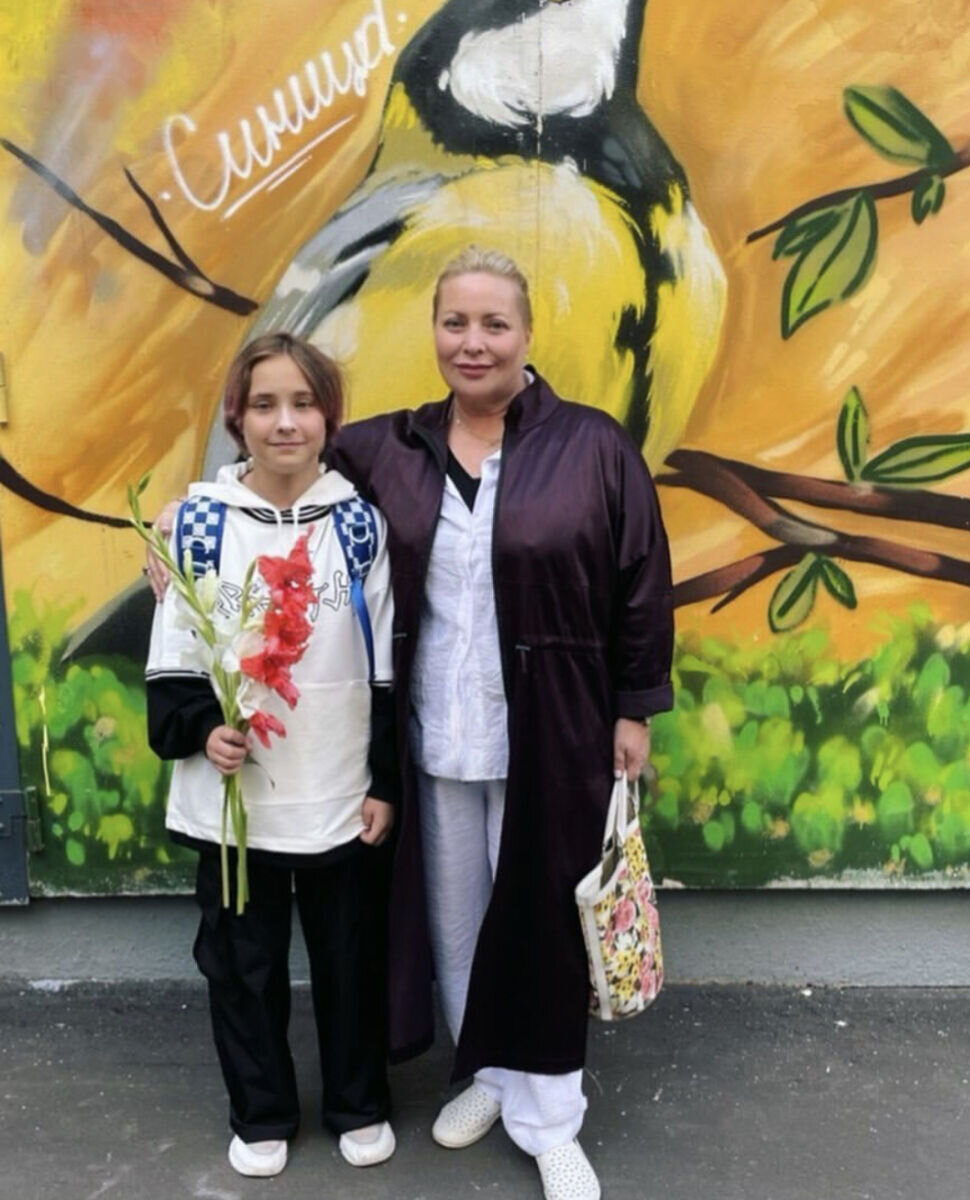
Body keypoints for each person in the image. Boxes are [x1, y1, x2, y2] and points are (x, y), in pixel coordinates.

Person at [150, 247, 673, 1200]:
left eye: (493, 324)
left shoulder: (591, 447)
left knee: (543, 924)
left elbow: (640, 580)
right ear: (434, 332)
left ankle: (550, 1120)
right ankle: (487, 1075)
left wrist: (633, 707)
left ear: (525, 335)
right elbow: (281, 460)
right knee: (456, 925)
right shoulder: (390, 448)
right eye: (454, 323)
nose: (473, 343)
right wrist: (186, 512)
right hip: (433, 739)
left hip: (550, 734)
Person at [145, 333, 398, 1179]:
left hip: (338, 789)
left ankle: (358, 1103)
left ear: (330, 417)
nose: (284, 422)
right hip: (235, 804)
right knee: (241, 965)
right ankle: (261, 1112)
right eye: (264, 405)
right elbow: (175, 655)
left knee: (349, 960)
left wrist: (384, 781)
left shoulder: (358, 526)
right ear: (236, 418)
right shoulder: (199, 526)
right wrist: (199, 729)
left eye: (303, 403)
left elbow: (383, 665)